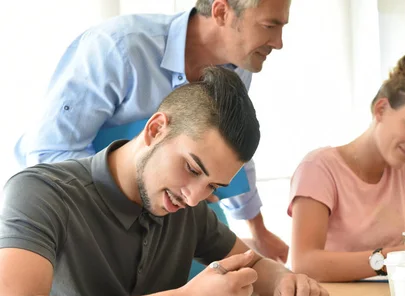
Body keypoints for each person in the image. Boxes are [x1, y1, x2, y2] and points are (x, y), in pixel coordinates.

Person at [0, 67, 329, 296]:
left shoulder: (189, 208)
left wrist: (288, 281)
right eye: (191, 168)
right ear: (156, 129)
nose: (193, 196)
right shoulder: (40, 192)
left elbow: (253, 265)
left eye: (213, 186)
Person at [13, 0, 290, 263]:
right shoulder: (118, 48)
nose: (278, 43)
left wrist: (258, 230)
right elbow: (49, 152)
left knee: (224, 284)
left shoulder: (238, 67)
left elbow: (230, 150)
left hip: (180, 209)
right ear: (221, 12)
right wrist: (134, 201)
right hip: (97, 212)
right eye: (269, 26)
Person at [287, 54, 405, 282]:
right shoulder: (318, 169)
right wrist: (390, 259)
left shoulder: (402, 175)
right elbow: (304, 263)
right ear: (381, 109)